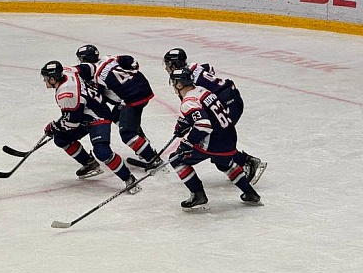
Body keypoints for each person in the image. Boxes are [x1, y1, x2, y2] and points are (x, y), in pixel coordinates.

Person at [163, 47, 267, 185]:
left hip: (229, 103)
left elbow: (196, 102)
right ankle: (243, 162)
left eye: (168, 65)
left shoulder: (186, 79)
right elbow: (208, 68)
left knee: (218, 138)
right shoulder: (192, 68)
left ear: (175, 64)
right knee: (218, 139)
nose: (166, 68)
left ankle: (247, 161)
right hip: (230, 98)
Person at [167, 67, 262, 210]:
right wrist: (186, 121)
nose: (174, 87)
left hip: (214, 142)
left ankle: (198, 194)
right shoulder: (202, 90)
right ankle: (251, 194)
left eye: (175, 83)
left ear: (179, 84)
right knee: (225, 164)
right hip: (230, 137)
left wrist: (189, 141)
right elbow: (208, 113)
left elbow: (204, 125)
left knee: (176, 159)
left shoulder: (188, 101)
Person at [41, 61, 141, 193]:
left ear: (53, 79)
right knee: (61, 139)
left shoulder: (66, 94)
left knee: (102, 151)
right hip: (85, 113)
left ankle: (129, 179)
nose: (44, 80)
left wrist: (55, 127)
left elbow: (72, 123)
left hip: (99, 116)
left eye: (46, 78)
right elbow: (92, 68)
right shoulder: (68, 70)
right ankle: (90, 164)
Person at [75, 45, 162, 170]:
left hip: (132, 99)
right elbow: (131, 60)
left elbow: (97, 98)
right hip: (143, 87)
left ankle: (153, 158)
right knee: (116, 115)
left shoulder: (95, 77)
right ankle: (142, 143)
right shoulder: (109, 58)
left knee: (127, 134)